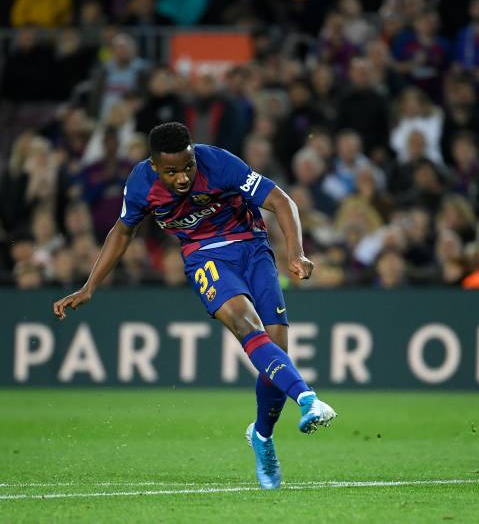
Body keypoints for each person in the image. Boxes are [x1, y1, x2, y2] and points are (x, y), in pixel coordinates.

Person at [52, 122, 336, 490]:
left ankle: (262, 438)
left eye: (187, 167)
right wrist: (90, 286)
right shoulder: (141, 185)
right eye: (172, 171)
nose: (183, 177)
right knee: (246, 325)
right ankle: (308, 399)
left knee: (276, 353)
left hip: (252, 246)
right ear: (155, 166)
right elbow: (122, 232)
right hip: (203, 256)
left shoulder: (218, 163)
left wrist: (296, 252)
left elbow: (281, 201)